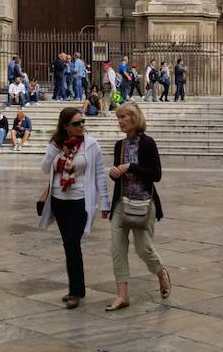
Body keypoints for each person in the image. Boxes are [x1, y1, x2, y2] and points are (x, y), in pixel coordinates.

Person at [40, 105, 109, 309]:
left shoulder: (91, 145)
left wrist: (104, 202)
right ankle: (77, 289)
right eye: (76, 123)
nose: (81, 126)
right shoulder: (57, 145)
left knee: (72, 243)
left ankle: (75, 292)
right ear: (66, 127)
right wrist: (55, 149)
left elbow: (99, 175)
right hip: (59, 200)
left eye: (83, 122)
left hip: (80, 201)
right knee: (69, 244)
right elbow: (45, 168)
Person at [105, 101, 170, 309]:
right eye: (118, 118)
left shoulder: (148, 143)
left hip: (144, 203)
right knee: (117, 249)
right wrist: (114, 173)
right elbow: (119, 176)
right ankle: (122, 295)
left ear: (134, 118)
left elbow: (156, 175)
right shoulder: (119, 145)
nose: (120, 121)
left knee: (144, 249)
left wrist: (131, 167)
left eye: (123, 117)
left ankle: (161, 273)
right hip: (121, 203)